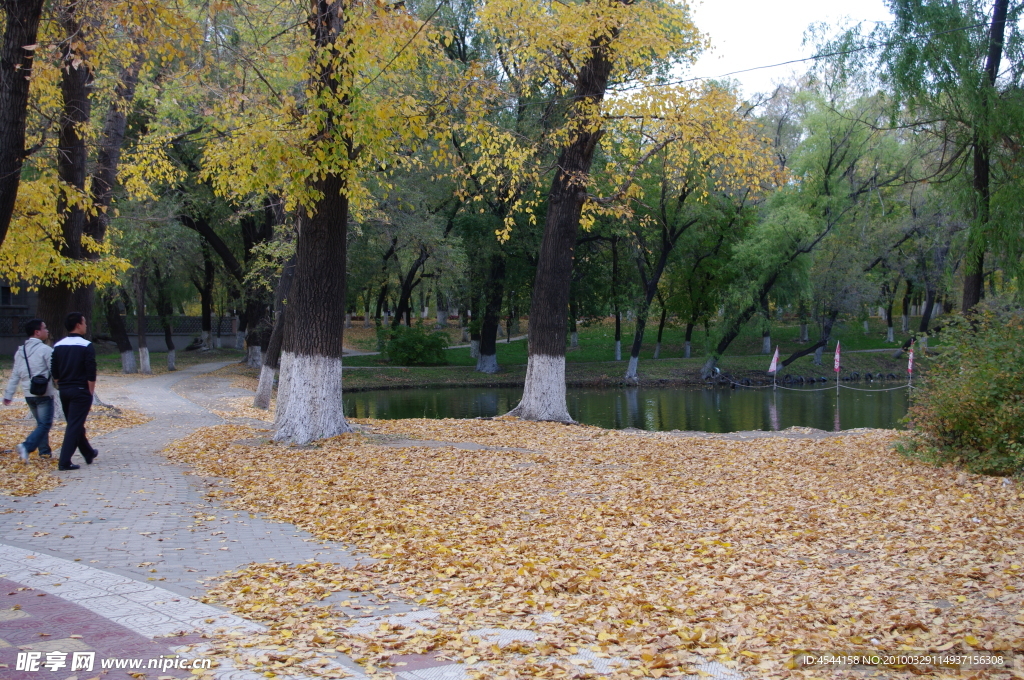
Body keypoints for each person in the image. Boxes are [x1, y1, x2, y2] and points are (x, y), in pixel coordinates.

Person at [51, 312, 98, 471]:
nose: (86, 325)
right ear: (78, 325)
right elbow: (91, 369)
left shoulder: (58, 345)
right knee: (74, 425)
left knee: (75, 423)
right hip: (80, 390)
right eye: (84, 323)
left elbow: (54, 370)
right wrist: (90, 391)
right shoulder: (86, 345)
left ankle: (88, 452)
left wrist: (61, 384)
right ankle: (64, 461)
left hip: (64, 390)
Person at [3, 319, 55, 462]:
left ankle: (44, 452)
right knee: (45, 424)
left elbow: (15, 374)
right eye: (44, 328)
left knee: (41, 424)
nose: (47, 330)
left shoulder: (21, 351)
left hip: (28, 393)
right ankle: (26, 446)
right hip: (44, 393)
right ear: (37, 332)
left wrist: (9, 394)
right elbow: (55, 370)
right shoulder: (46, 350)